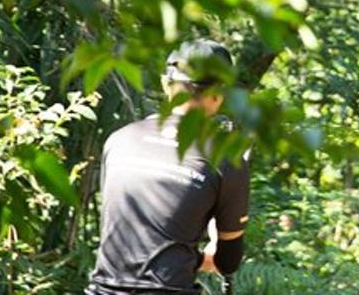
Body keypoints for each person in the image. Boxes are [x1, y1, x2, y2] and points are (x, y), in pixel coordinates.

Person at [87, 39, 249, 295]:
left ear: (166, 84)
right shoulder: (226, 156)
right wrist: (212, 251)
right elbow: (227, 262)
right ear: (220, 94)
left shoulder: (119, 140)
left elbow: (126, 227)